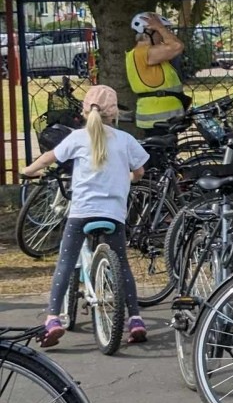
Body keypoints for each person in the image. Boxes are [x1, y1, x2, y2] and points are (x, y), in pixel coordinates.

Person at [20, 86, 150, 347]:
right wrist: (127, 178)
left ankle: (53, 319)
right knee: (122, 264)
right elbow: (140, 172)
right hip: (113, 213)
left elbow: (48, 158)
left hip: (81, 212)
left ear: (84, 110)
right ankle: (135, 318)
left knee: (65, 264)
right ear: (114, 114)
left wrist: (28, 170)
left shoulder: (77, 138)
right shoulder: (125, 140)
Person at [126, 12, 187, 129]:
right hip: (157, 120)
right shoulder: (143, 53)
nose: (163, 36)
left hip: (165, 119)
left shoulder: (149, 53)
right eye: (160, 32)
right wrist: (159, 26)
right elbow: (177, 46)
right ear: (148, 32)